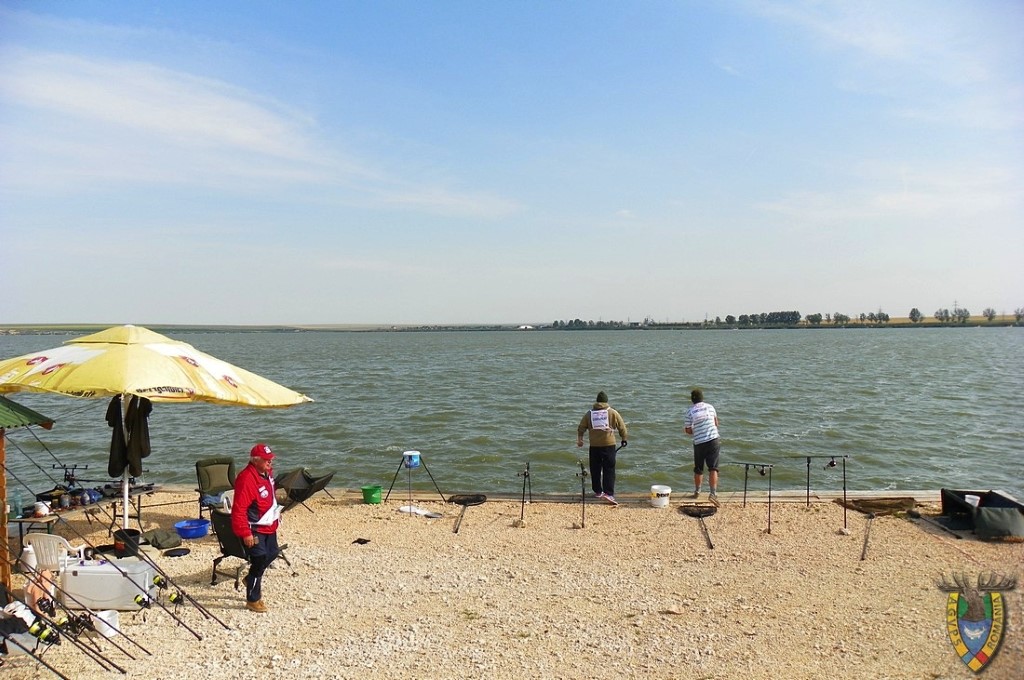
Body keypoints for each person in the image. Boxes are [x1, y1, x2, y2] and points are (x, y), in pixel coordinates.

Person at [231, 443, 282, 613]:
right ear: (255, 460)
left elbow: (270, 495)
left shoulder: (267, 473)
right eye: (266, 459)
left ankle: (250, 578)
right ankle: (253, 599)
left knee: (273, 552)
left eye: (271, 459)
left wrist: (276, 512)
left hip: (269, 524)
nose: (270, 462)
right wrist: (245, 533)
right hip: (254, 528)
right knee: (259, 559)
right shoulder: (246, 479)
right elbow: (239, 509)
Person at [577, 391, 628, 505]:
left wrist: (580, 439)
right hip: (609, 445)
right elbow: (622, 427)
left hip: (594, 446)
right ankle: (608, 493)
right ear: (606, 401)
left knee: (595, 469)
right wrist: (624, 438)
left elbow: (581, 427)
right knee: (609, 469)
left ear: (597, 401)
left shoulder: (589, 413)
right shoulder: (612, 412)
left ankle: (598, 491)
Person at [684, 388, 720, 501]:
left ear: (692, 400)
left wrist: (696, 430)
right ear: (702, 398)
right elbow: (716, 423)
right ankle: (713, 494)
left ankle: (697, 492)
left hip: (699, 442)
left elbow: (688, 430)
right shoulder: (710, 407)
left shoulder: (690, 411)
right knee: (713, 468)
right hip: (713, 440)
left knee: (698, 468)